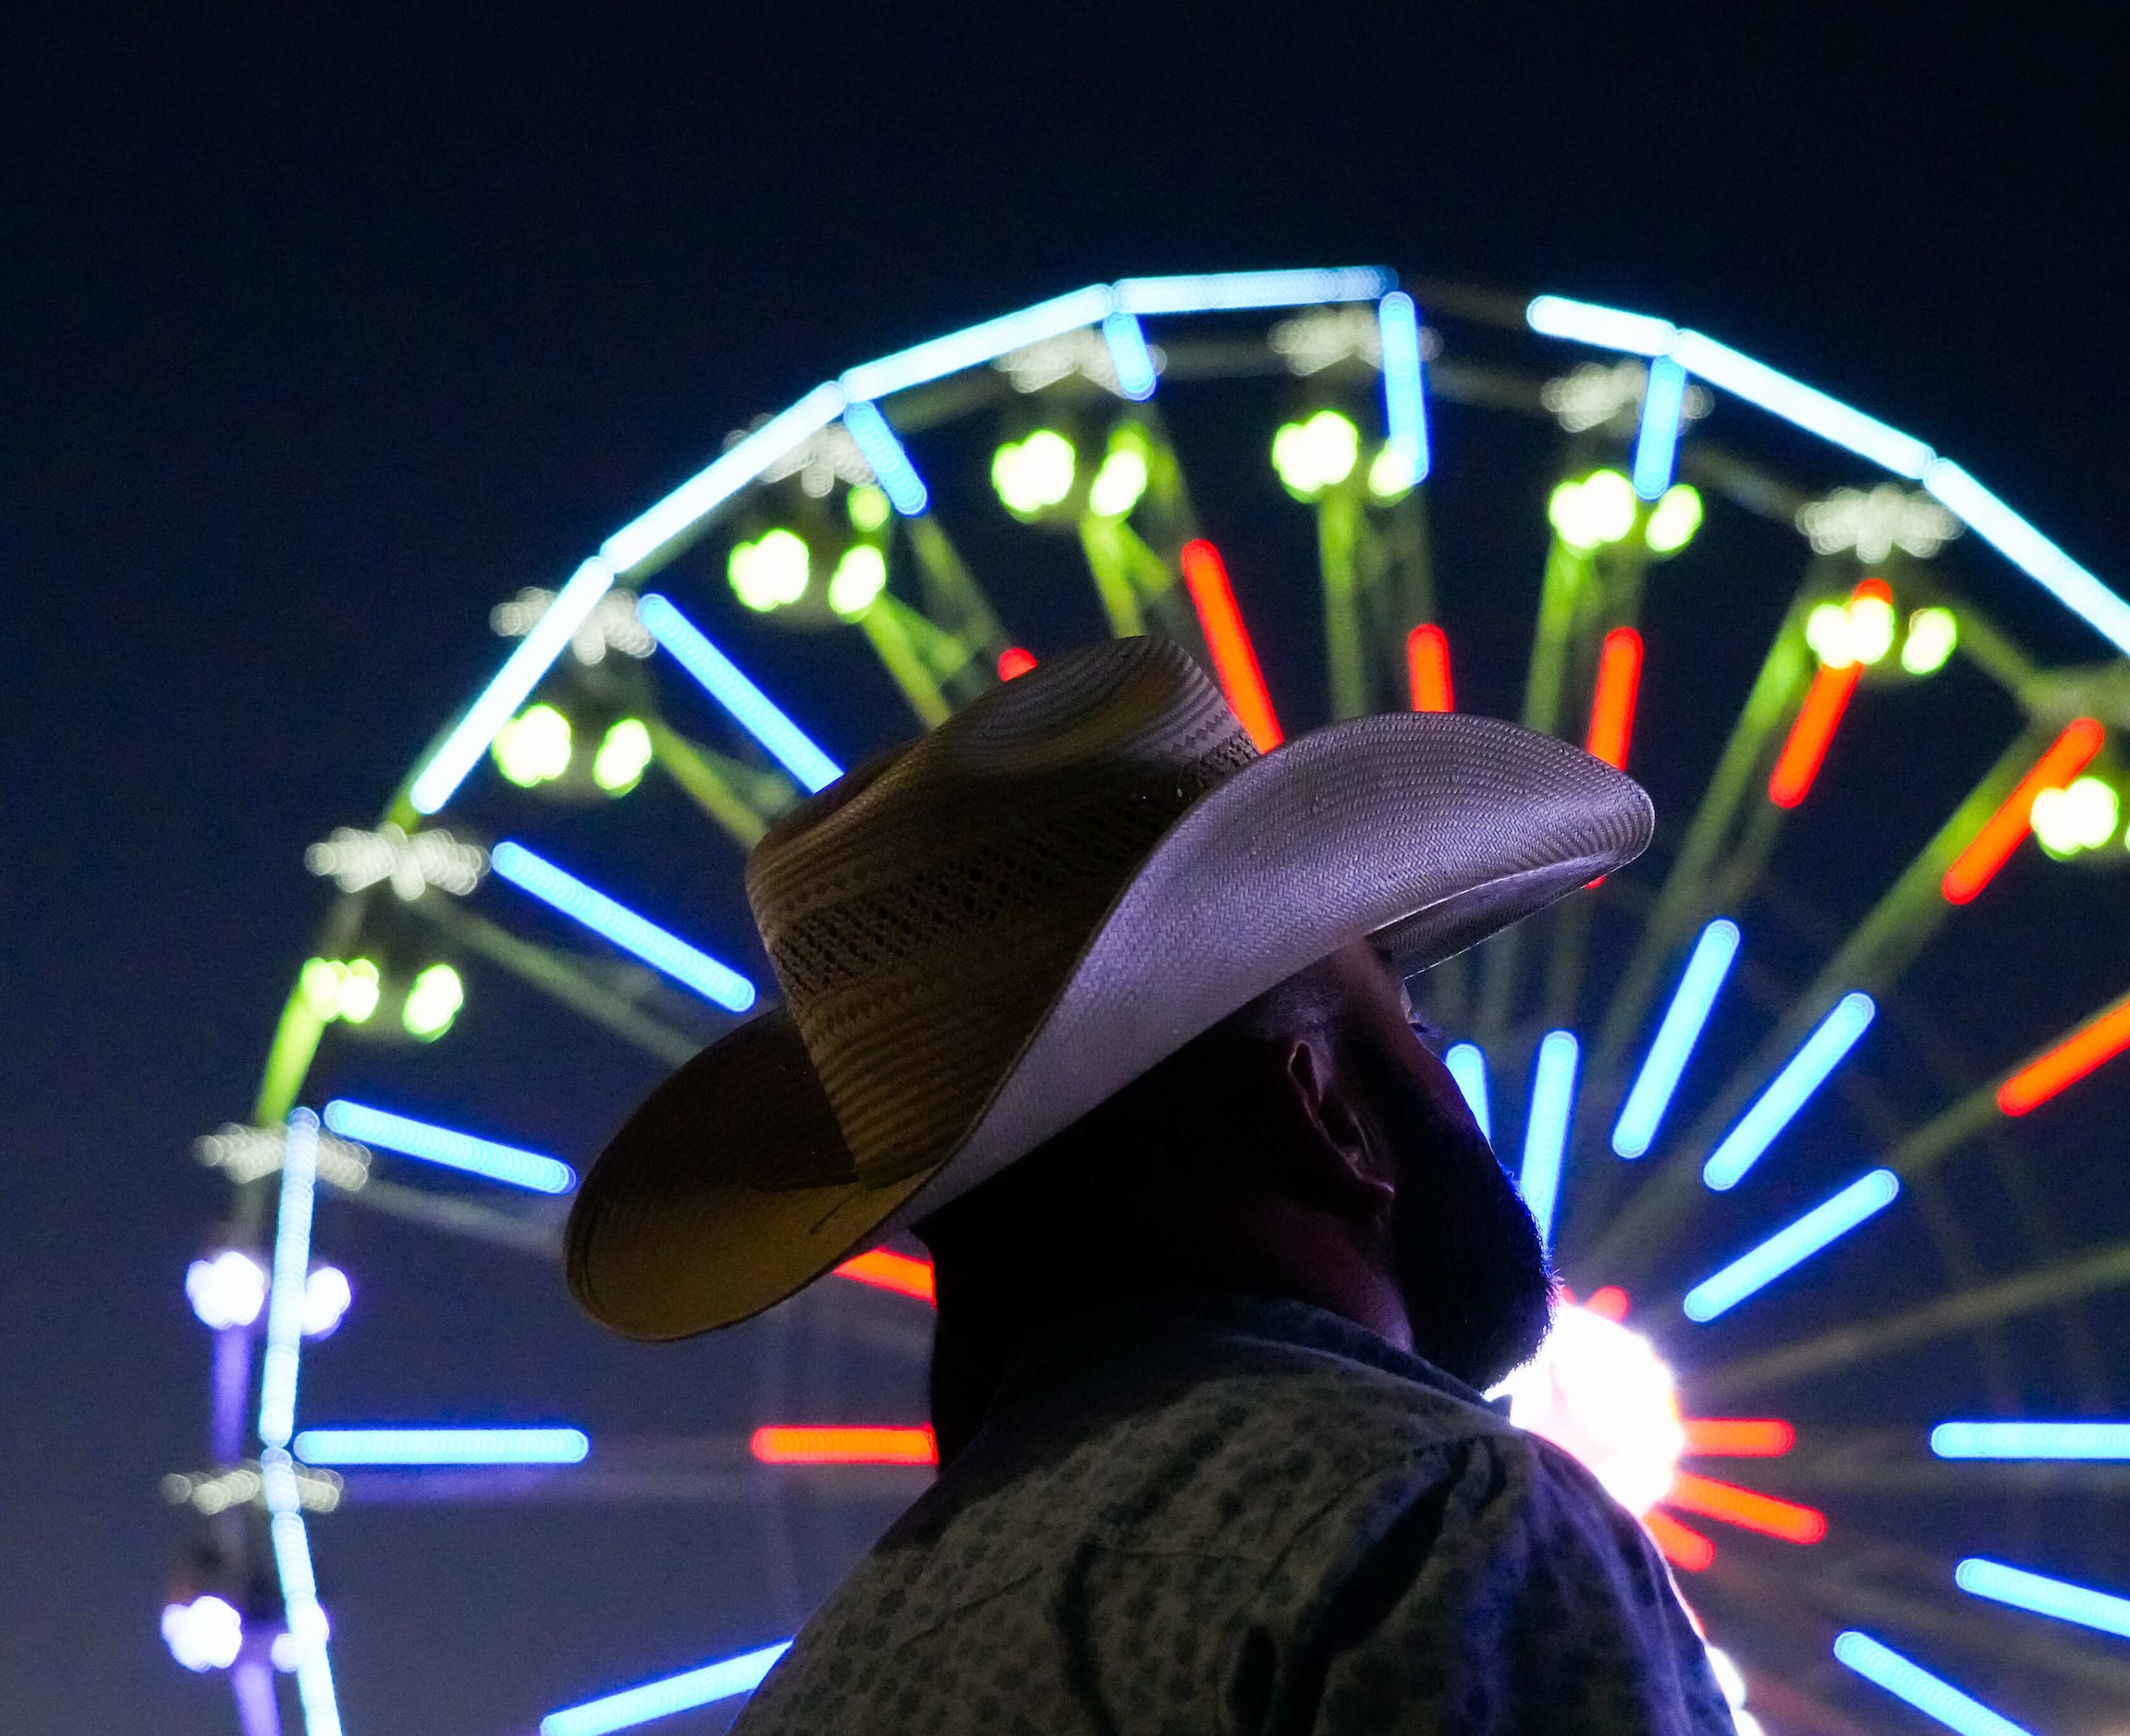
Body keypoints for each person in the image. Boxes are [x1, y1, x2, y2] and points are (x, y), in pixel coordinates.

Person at [566, 637, 1733, 1733]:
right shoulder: (1433, 1523)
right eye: (1411, 1022)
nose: (1447, 1077)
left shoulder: (825, 1685)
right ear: (1324, 1113)